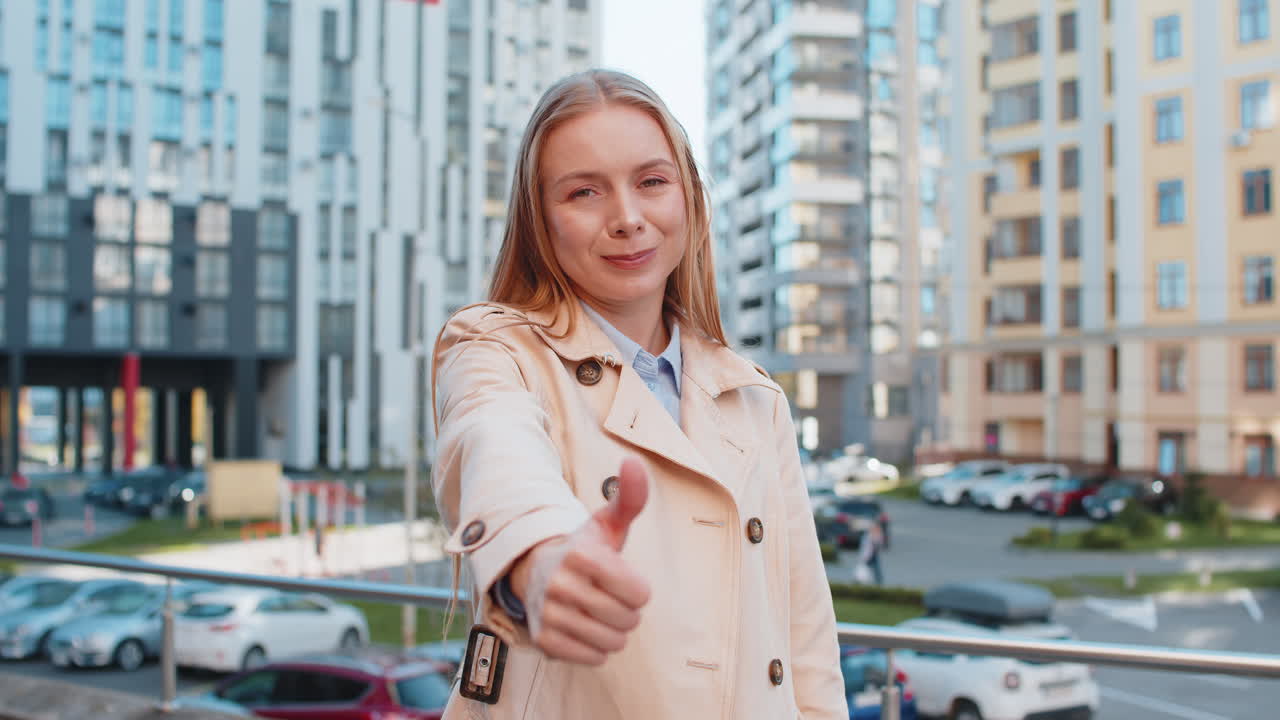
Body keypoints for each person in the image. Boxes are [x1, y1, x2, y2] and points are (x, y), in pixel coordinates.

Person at [431, 69, 847, 719]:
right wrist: (539, 558)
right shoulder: (495, 348)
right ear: (540, 221)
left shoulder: (754, 398)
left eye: (652, 182)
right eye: (584, 192)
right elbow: (492, 443)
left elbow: (806, 648)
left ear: (691, 197)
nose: (627, 219)